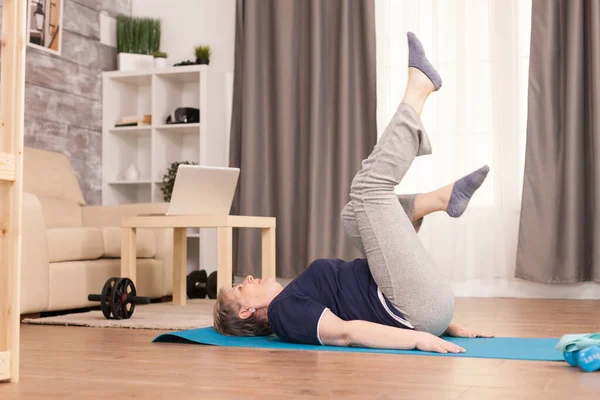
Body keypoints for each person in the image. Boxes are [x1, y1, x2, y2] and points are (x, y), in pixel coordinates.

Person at [213, 32, 494, 354]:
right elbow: (347, 333)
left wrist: (443, 324)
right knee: (368, 187)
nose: (247, 277)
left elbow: (360, 308)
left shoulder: (293, 301)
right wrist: (420, 336)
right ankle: (418, 89)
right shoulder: (283, 314)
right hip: (414, 307)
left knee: (352, 215)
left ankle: (438, 200)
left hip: (419, 303)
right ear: (246, 311)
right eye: (240, 287)